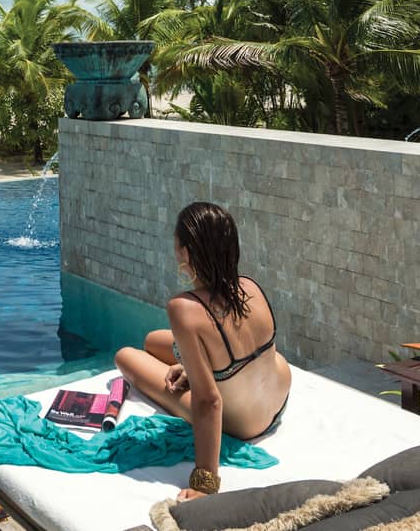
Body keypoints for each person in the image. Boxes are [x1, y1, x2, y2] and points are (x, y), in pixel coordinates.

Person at [114, 202, 292, 502]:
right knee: (152, 340)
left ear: (185, 252)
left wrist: (204, 481)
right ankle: (193, 364)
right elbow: (246, 347)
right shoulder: (250, 285)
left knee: (126, 356)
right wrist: (192, 367)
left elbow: (209, 402)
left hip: (243, 423)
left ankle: (194, 366)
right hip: (276, 402)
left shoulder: (184, 308)